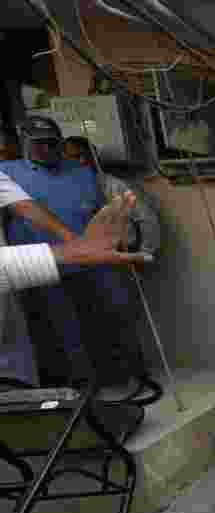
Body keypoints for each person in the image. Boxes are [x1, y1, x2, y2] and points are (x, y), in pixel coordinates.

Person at [0, 115, 145, 387]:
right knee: (56, 331)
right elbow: (19, 212)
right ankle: (72, 390)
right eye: (37, 143)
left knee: (107, 322)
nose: (44, 149)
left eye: (50, 143)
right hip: (40, 267)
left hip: (91, 264)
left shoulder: (82, 172)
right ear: (24, 143)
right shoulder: (7, 172)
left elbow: (103, 211)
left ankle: (118, 380)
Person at [64, 135, 161, 258]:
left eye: (86, 155)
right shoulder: (65, 190)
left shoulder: (115, 186)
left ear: (94, 156)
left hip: (122, 254)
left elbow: (147, 219)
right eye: (75, 157)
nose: (82, 161)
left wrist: (144, 254)